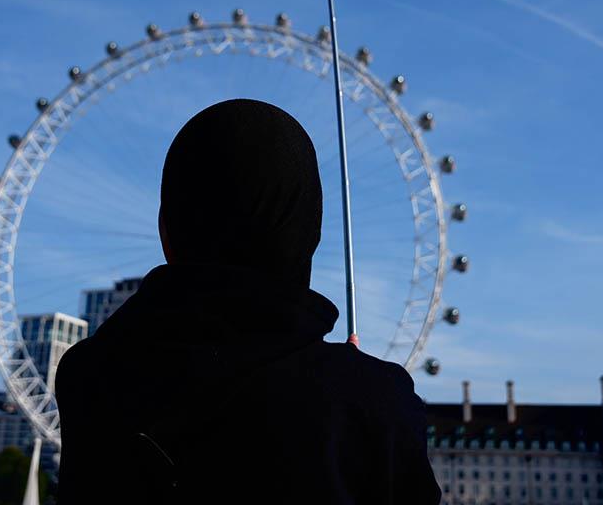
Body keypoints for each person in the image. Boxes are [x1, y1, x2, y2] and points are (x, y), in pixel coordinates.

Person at [55, 99, 440, 504]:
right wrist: (355, 387)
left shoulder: (87, 378)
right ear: (308, 234)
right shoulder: (375, 402)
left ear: (166, 230)